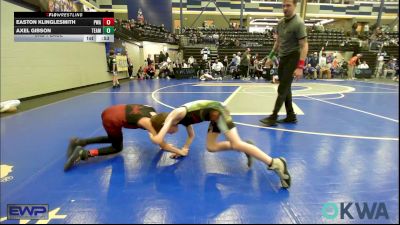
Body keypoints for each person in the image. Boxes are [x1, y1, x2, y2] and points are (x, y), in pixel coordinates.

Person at [149, 100, 291, 188]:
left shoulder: (176, 114)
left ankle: (275, 162)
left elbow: (159, 138)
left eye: (167, 131)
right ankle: (245, 147)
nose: (170, 133)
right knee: (211, 147)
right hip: (214, 117)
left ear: (164, 124)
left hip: (219, 111)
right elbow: (191, 135)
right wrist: (183, 149)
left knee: (236, 143)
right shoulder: (181, 120)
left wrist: (155, 135)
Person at [64, 104, 187, 171]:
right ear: (164, 125)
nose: (173, 132)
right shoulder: (149, 124)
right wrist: (179, 151)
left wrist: (164, 144)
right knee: (117, 147)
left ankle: (79, 141)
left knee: (113, 138)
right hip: (112, 119)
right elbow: (161, 143)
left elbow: (158, 139)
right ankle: (83, 153)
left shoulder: (153, 112)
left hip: (111, 110)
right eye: (172, 129)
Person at [260, 0, 308, 126]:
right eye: (283, 5)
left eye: (288, 5)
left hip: (293, 57)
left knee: (282, 88)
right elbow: (278, 42)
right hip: (283, 58)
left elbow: (304, 46)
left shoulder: (298, 23)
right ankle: (291, 115)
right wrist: (270, 56)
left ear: (295, 6)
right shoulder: (280, 23)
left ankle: (273, 116)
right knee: (286, 88)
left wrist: (300, 67)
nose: (285, 8)